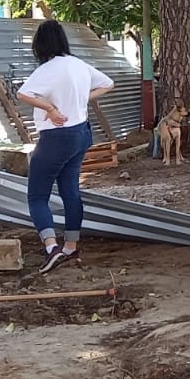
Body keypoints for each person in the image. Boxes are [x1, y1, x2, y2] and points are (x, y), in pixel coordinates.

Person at [15, 20, 114, 273]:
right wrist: (82, 100)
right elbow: (107, 84)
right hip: (81, 134)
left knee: (37, 195)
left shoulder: (49, 68)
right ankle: (71, 246)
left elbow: (22, 94)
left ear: (40, 44)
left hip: (57, 137)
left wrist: (50, 108)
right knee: (70, 191)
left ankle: (51, 248)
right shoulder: (78, 64)